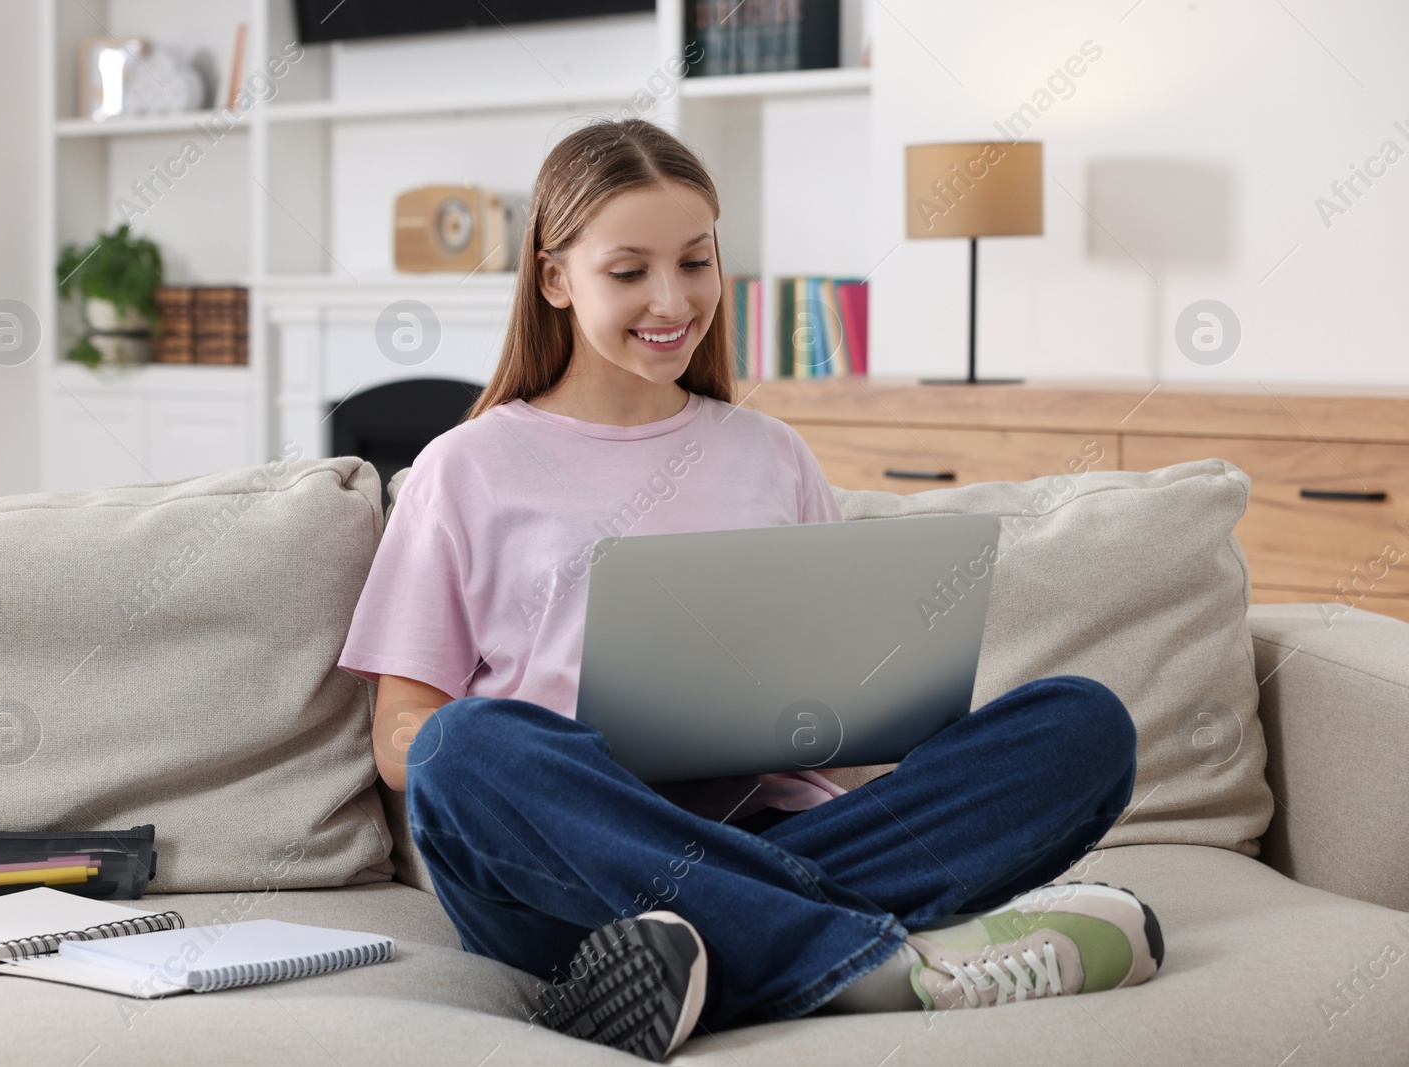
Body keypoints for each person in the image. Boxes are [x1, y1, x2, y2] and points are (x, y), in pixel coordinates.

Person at [338, 117, 1163, 1062]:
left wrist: (885, 729)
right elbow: (402, 739)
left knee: (1081, 723)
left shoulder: (770, 452)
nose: (672, 298)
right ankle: (881, 962)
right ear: (555, 278)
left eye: (695, 261)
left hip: (768, 823)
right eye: (629, 270)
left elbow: (844, 727)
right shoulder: (465, 466)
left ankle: (698, 959)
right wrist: (553, 755)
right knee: (461, 746)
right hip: (570, 866)